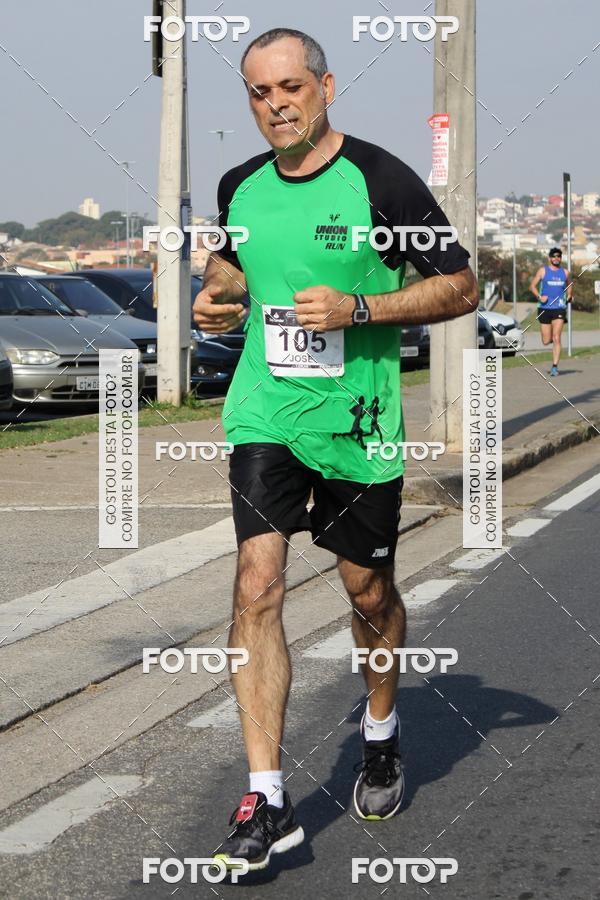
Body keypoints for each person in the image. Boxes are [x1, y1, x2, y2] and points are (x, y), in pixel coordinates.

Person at [193, 27, 478, 871]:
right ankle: (266, 799)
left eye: (289, 87)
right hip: (265, 413)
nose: (274, 104)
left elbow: (460, 283)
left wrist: (358, 309)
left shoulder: (380, 180)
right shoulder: (239, 184)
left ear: (324, 88)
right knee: (256, 581)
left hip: (359, 423)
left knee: (368, 595)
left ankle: (381, 729)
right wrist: (217, 300)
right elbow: (234, 268)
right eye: (257, 92)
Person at [530, 248, 572, 375]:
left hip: (559, 308)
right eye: (554, 256)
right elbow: (532, 286)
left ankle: (555, 367)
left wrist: (570, 295)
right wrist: (539, 297)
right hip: (544, 308)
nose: (556, 258)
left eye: (558, 256)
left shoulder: (565, 272)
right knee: (546, 341)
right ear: (549, 258)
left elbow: (570, 285)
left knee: (557, 337)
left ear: (560, 258)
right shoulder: (543, 271)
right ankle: (551, 339)